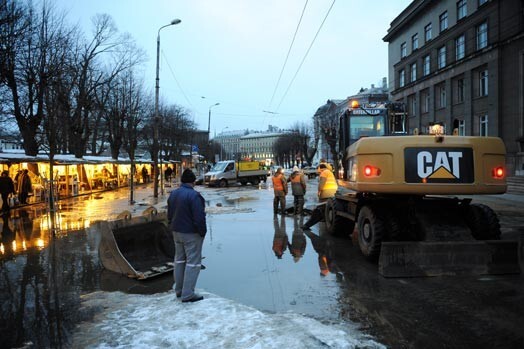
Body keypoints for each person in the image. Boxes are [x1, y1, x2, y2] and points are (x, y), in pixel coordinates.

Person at [167, 168, 207, 303]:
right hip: (191, 233)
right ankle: (188, 293)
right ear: (193, 182)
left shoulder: (173, 194)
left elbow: (170, 214)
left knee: (179, 261)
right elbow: (199, 218)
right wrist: (202, 232)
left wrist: (171, 226)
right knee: (193, 263)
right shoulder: (194, 196)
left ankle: (179, 290)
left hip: (176, 232)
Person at [301, 163, 338, 230]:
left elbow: (321, 185)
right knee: (325, 209)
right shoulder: (329, 172)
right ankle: (324, 220)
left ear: (320, 168)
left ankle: (307, 225)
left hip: (326, 193)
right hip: (332, 192)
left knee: (319, 209)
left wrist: (319, 192)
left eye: (318, 168)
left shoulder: (324, 173)